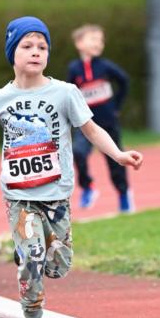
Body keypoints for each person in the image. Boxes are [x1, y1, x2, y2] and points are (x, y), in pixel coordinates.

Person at [0, 16, 143, 318]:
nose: (36, 52)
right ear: (12, 51)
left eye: (42, 47)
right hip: (19, 196)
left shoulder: (65, 93)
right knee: (32, 255)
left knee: (57, 265)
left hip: (57, 194)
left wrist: (118, 154)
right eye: (27, 46)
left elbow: (91, 131)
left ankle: (37, 260)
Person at [66, 24, 131, 211]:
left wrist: (116, 107)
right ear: (79, 43)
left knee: (116, 160)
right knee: (78, 152)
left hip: (108, 122)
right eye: (93, 39)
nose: (99, 43)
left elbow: (124, 81)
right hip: (85, 122)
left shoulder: (106, 66)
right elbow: (69, 93)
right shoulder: (74, 69)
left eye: (101, 40)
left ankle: (124, 196)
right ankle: (88, 187)